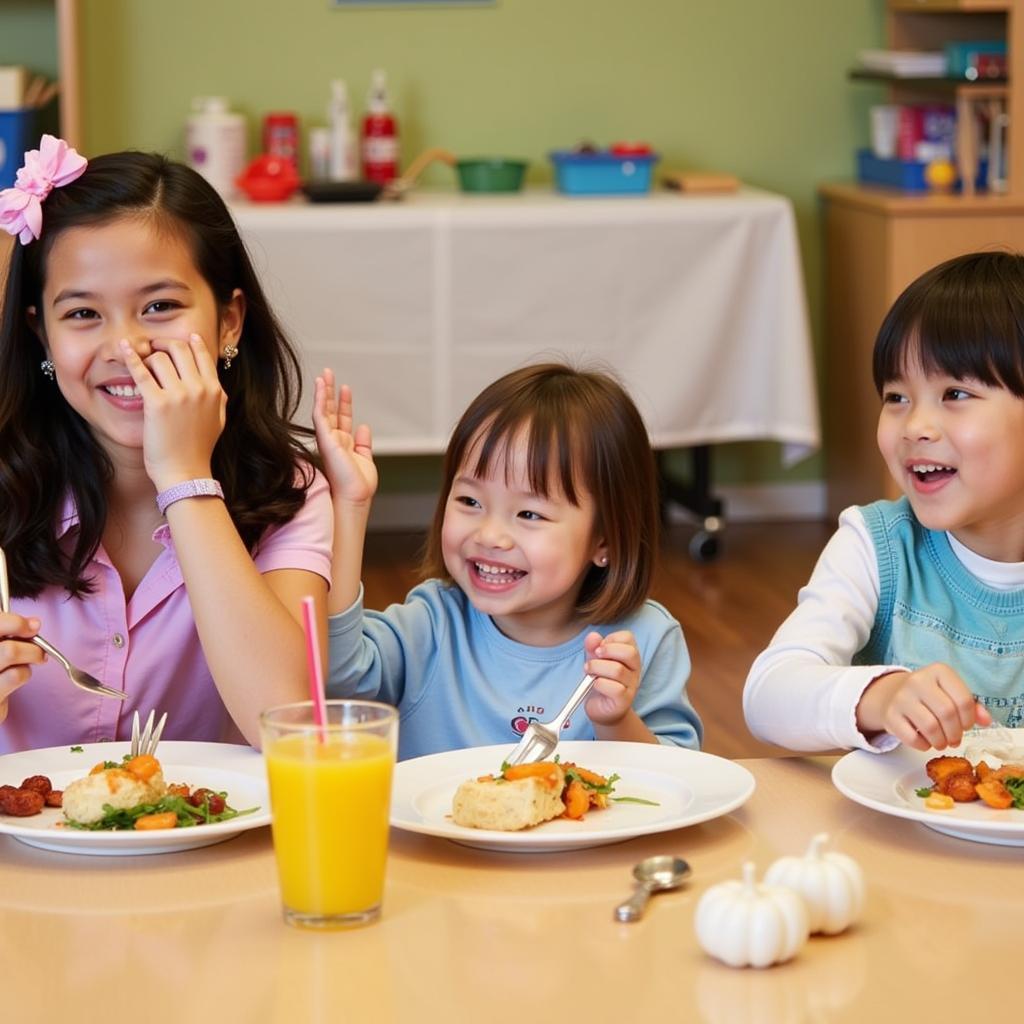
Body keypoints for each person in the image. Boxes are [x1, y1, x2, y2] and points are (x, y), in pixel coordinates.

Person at [0, 136, 332, 752]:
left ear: (229, 320)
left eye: (159, 306)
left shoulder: (289, 492)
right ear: (40, 334)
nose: (126, 348)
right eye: (81, 314)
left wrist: (185, 476)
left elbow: (291, 724)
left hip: (214, 847)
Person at [314, 361, 702, 760]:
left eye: (529, 514)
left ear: (606, 540)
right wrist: (351, 505)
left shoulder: (644, 638)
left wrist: (615, 720)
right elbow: (335, 681)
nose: (489, 536)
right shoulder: (432, 623)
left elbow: (680, 775)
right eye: (470, 501)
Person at [740, 250, 1024, 755]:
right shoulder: (878, 546)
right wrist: (881, 695)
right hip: (893, 833)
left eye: (955, 394)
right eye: (896, 397)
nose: (915, 426)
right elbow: (768, 695)